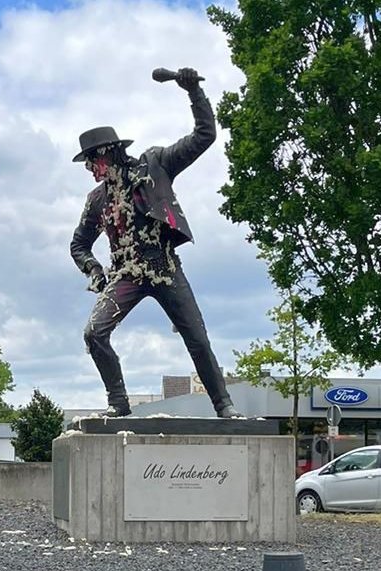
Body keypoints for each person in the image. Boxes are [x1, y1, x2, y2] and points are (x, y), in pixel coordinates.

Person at [69, 67, 241, 419]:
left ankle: (224, 406)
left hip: (164, 265)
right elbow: (79, 245)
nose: (91, 169)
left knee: (197, 337)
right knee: (94, 333)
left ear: (109, 152)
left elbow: (204, 136)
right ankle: (118, 403)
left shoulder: (154, 166)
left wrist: (194, 92)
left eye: (93, 161)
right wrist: (94, 268)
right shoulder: (97, 200)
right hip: (126, 273)